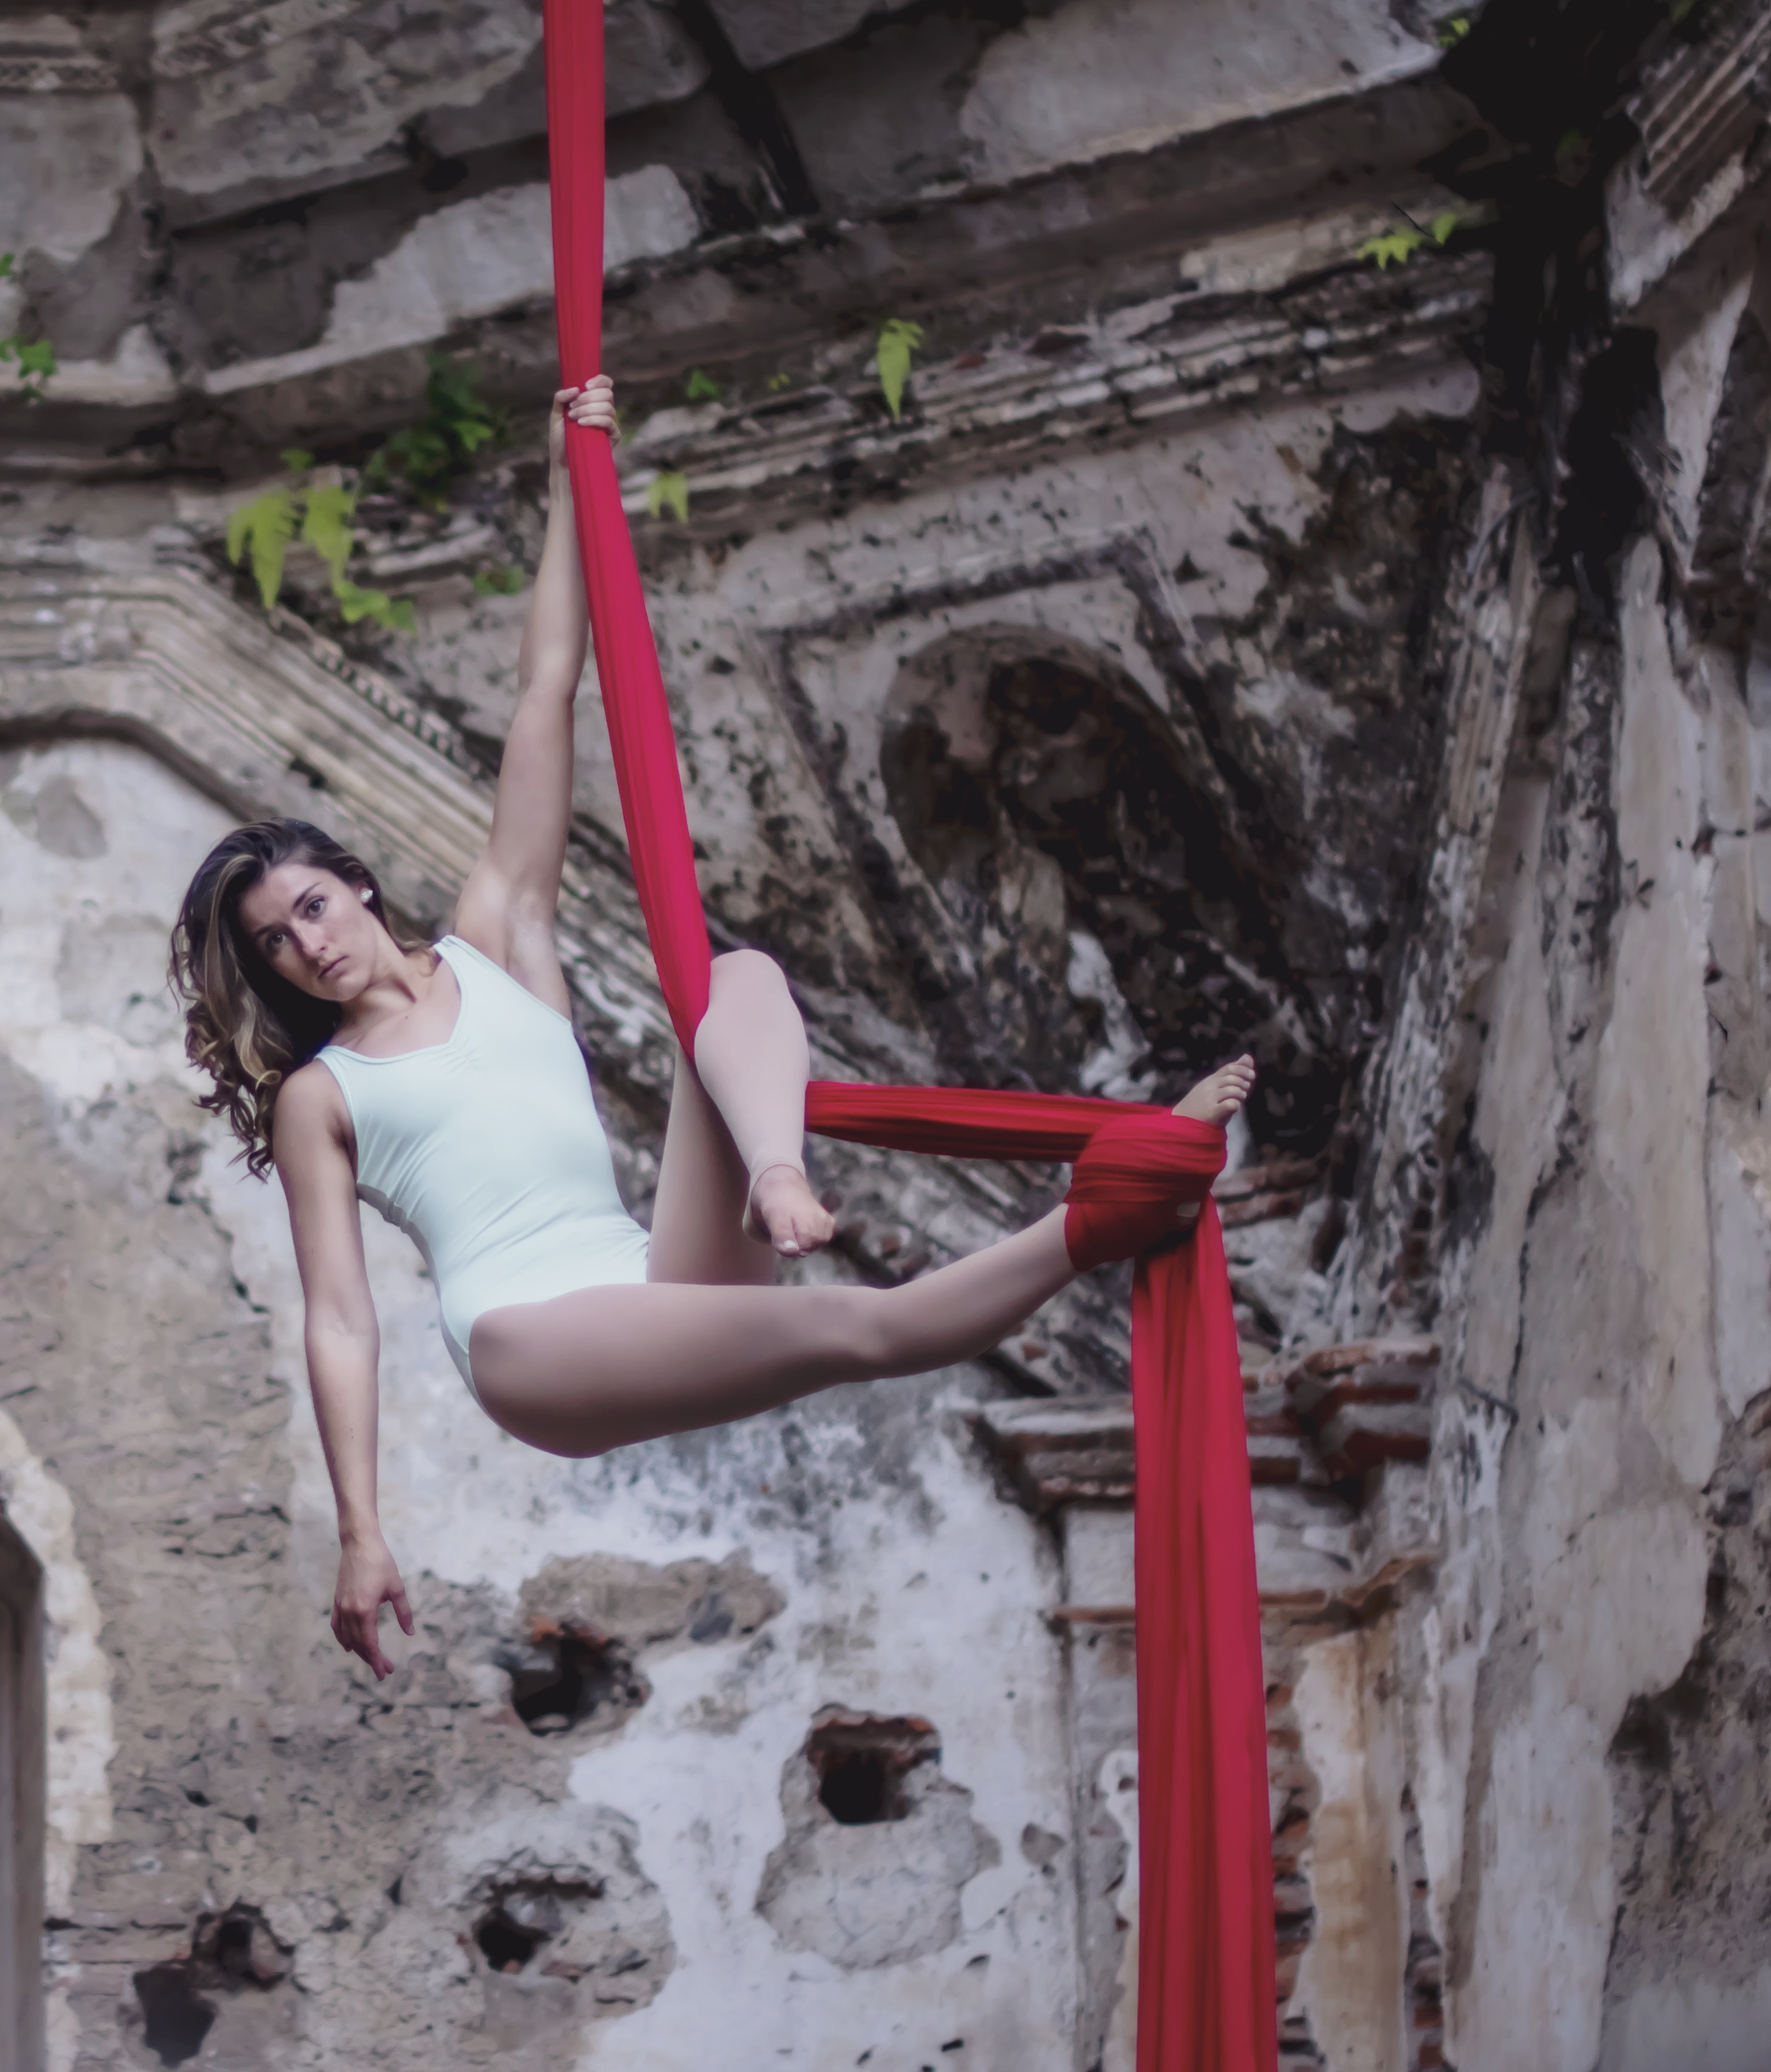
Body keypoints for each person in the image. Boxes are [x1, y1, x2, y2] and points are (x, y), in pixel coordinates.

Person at [167, 376, 1254, 1677]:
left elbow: (546, 689)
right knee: (867, 1329)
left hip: (653, 1271)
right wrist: (361, 1529)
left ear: (357, 884)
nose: (310, 944)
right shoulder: (323, 1092)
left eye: (313, 906)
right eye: (277, 944)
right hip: (533, 1343)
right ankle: (1108, 1215)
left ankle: (780, 1173)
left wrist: (578, 473)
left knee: (735, 979)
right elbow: (340, 1318)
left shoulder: (497, 934)